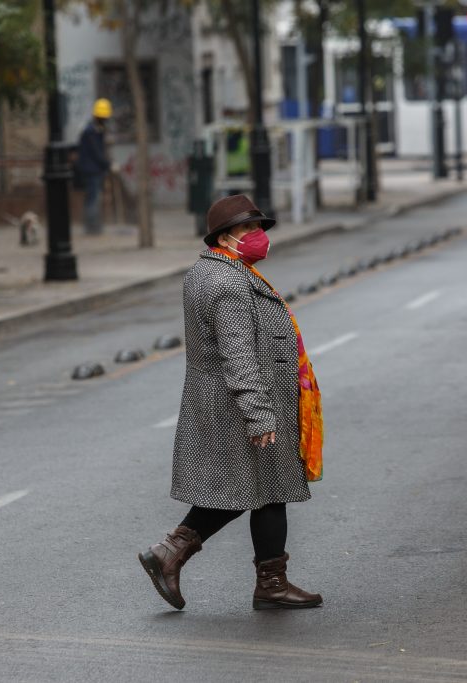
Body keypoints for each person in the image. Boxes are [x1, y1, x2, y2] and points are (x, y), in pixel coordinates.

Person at [138, 194, 324, 611]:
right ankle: (255, 579)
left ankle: (180, 555)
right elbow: (238, 354)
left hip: (223, 401)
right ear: (225, 238)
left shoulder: (208, 272)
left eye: (259, 228)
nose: (258, 236)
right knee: (263, 489)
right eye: (248, 229)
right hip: (240, 404)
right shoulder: (228, 284)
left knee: (256, 490)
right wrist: (258, 414)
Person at [77, 98, 112, 235]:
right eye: (104, 118)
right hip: (91, 170)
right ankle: (92, 227)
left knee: (92, 197)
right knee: (93, 198)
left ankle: (92, 225)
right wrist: (108, 165)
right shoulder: (91, 132)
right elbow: (96, 152)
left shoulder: (95, 130)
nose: (105, 121)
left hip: (93, 169)